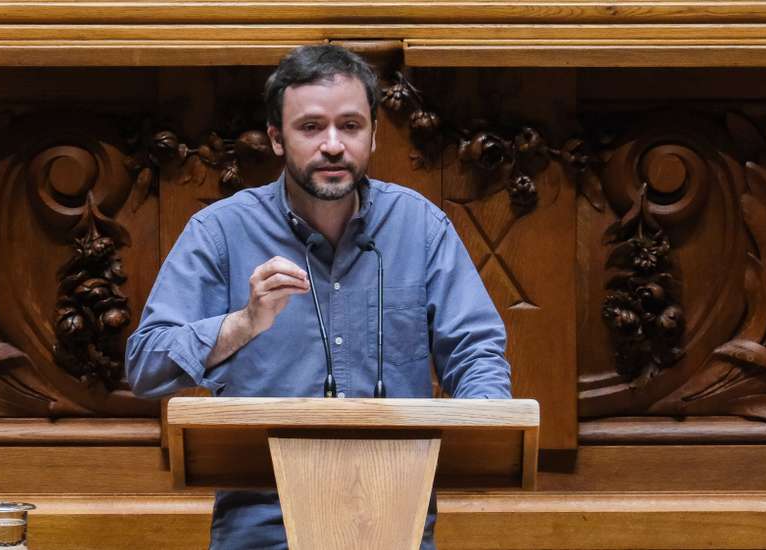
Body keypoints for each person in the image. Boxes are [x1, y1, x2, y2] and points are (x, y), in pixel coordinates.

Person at [125, 44, 512, 550]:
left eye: (349, 126)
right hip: (263, 525)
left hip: (397, 515)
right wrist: (243, 323)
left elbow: (475, 350)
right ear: (276, 139)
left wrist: (485, 426)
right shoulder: (221, 230)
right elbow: (145, 365)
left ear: (373, 134)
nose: (332, 145)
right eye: (310, 127)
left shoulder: (420, 227)